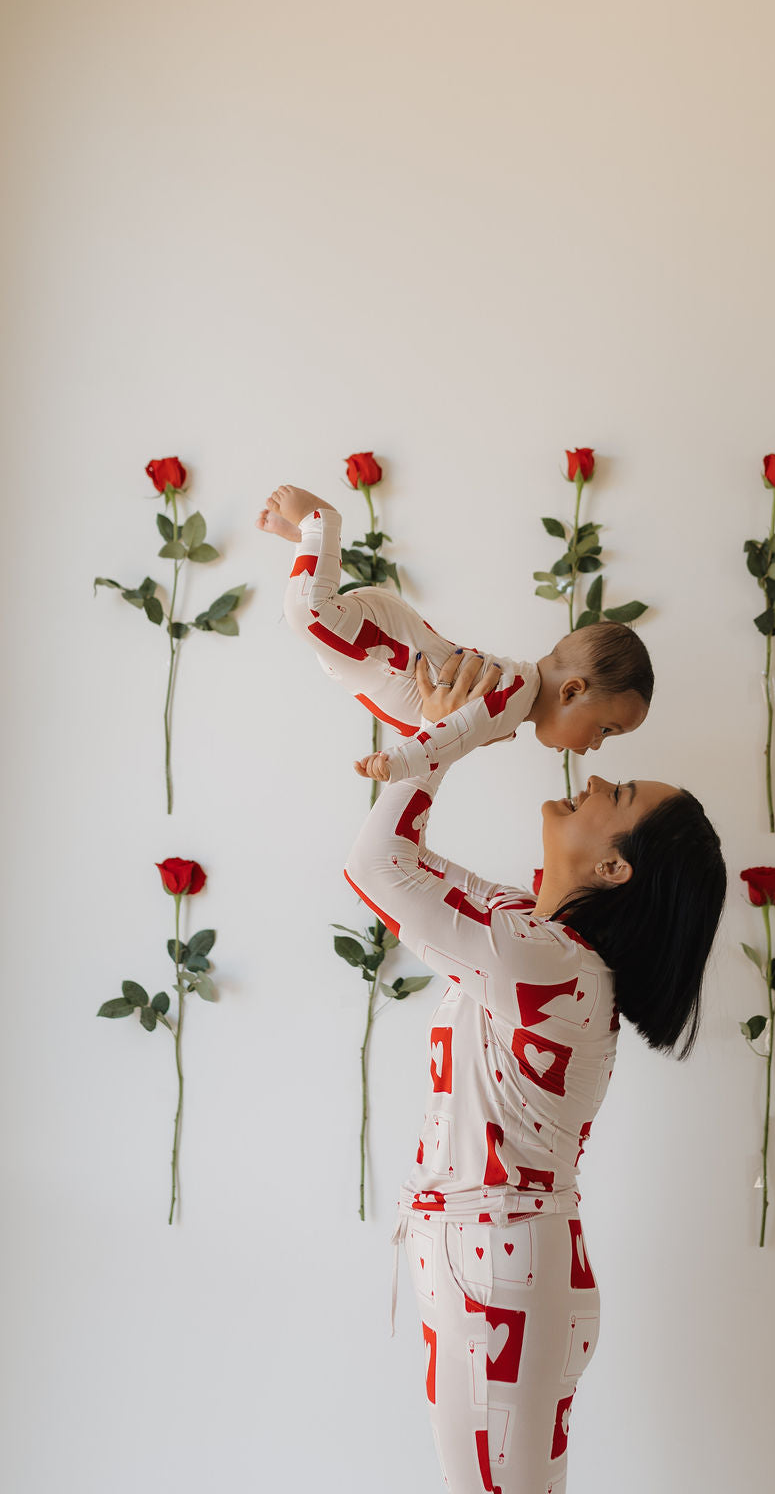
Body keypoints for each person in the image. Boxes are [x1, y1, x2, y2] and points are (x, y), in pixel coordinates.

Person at [341, 651, 727, 1494]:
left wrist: (458, 732)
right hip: (495, 1259)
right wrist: (433, 736)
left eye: (615, 798)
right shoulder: (527, 934)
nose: (591, 781)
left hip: (498, 1265)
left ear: (615, 867)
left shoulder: (549, 964)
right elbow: (397, 857)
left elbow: (374, 869)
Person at [257, 484, 653, 784]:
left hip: (374, 665)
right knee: (307, 612)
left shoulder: (514, 709)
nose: (596, 746)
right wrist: (399, 762)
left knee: (316, 624)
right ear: (571, 691)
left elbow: (449, 732)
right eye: (604, 730)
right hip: (393, 654)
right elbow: (443, 738)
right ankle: (320, 524)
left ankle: (305, 543)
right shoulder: (510, 695)